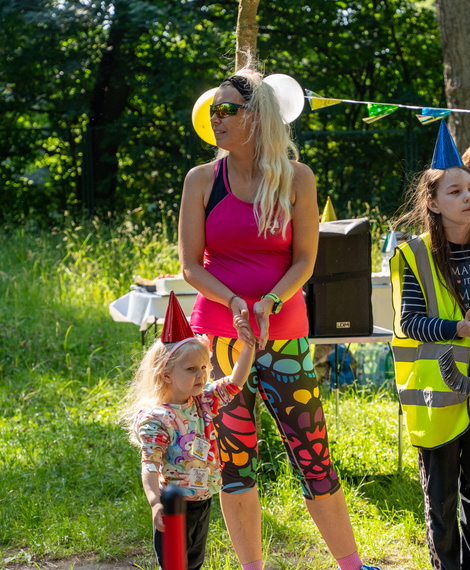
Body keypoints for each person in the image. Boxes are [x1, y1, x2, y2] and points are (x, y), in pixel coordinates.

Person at [178, 68, 380, 570]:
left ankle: (352, 566)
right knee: (235, 465)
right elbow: (189, 264)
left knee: (314, 455)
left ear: (257, 116)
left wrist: (268, 301)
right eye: (213, 109)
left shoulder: (298, 178)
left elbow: (305, 260)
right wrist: (235, 305)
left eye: (227, 109)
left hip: (284, 335)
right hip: (222, 340)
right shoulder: (202, 180)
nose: (215, 117)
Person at [390, 122, 470, 570]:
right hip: (436, 396)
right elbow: (408, 322)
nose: (468, 197)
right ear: (432, 202)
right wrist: (457, 329)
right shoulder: (414, 256)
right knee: (442, 503)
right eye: (455, 191)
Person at [124, 293, 255, 570]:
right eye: (192, 369)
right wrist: (155, 504)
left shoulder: (203, 400)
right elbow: (149, 465)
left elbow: (235, 382)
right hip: (175, 507)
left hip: (202, 502)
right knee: (174, 566)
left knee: (194, 564)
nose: (202, 375)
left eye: (205, 367)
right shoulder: (158, 419)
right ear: (166, 373)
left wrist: (248, 347)